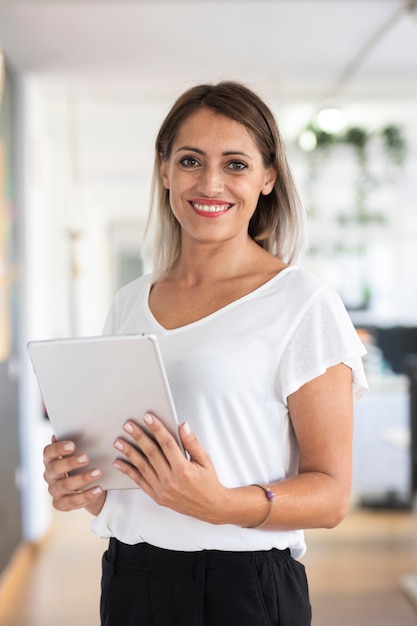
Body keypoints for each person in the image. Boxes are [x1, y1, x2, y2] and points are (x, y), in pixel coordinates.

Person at [43, 81, 368, 626]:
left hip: (243, 588)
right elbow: (129, 489)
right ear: (165, 170)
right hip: (130, 580)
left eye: (235, 164)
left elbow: (331, 495)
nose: (210, 182)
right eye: (191, 160)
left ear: (268, 177)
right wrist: (83, 486)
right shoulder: (129, 303)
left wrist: (223, 505)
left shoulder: (302, 302)